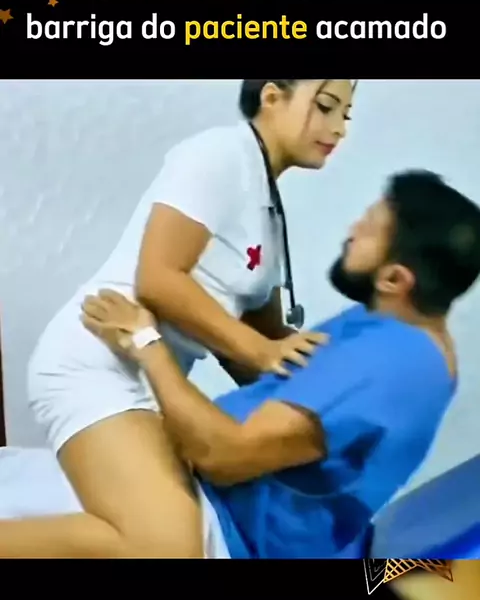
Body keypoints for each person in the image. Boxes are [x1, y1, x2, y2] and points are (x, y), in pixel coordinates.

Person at [8, 80, 352, 559]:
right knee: (167, 546)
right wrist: (264, 351)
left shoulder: (266, 209)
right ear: (272, 97)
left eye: (346, 115)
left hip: (148, 377)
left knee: (183, 538)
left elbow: (255, 347)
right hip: (95, 357)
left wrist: (335, 395)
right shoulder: (218, 154)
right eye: (327, 106)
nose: (339, 128)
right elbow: (159, 279)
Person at [76, 170, 480, 559]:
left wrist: (145, 342)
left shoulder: (389, 363)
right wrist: (233, 322)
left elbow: (223, 457)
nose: (353, 230)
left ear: (395, 279)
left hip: (222, 533)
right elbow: (291, 385)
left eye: (370, 228)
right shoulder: (393, 326)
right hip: (203, 492)